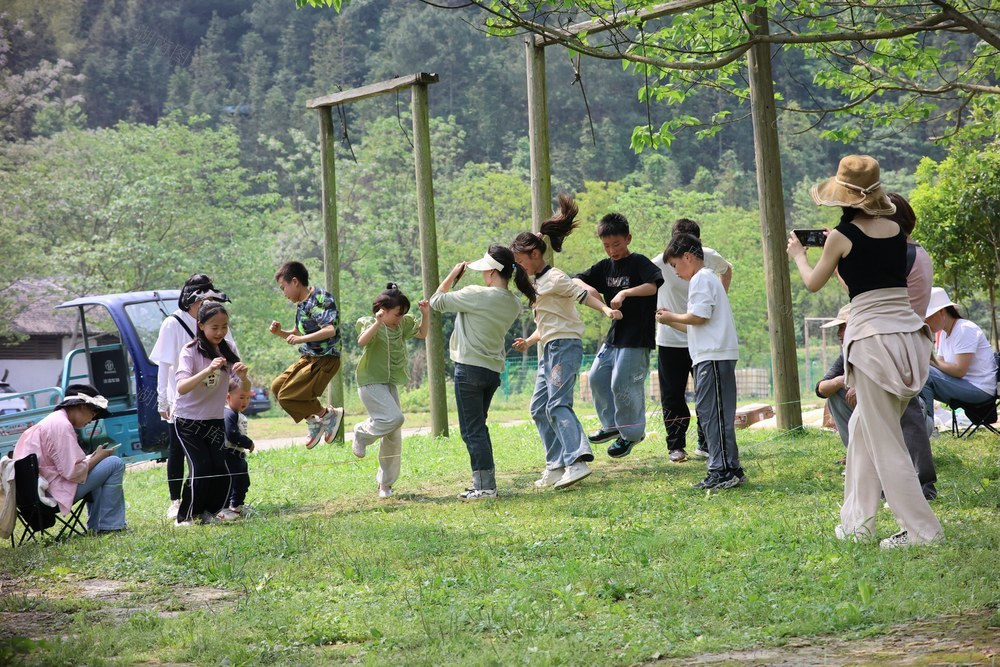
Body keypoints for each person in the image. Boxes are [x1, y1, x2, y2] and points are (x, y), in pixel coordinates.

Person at [787, 154, 942, 548]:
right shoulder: (893, 229)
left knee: (884, 440)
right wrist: (838, 250)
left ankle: (923, 531)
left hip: (873, 343)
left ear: (843, 196)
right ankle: (858, 523)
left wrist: (801, 256)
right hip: (907, 337)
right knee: (861, 431)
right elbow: (867, 287)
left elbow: (812, 284)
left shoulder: (841, 237)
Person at [510, 195, 622, 490]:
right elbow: (548, 322)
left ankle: (577, 461)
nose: (520, 267)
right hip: (548, 347)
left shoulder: (556, 278)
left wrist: (607, 309)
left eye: (521, 261)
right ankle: (556, 464)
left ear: (535, 253)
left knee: (558, 404)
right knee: (538, 407)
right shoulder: (536, 282)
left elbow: (583, 295)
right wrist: (530, 340)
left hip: (564, 347)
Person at [430, 245, 533, 500]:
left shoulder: (476, 294)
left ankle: (485, 487)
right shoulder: (513, 303)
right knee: (479, 427)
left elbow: (436, 301)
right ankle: (485, 483)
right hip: (491, 372)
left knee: (472, 430)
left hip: (468, 370)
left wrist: (453, 276)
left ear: (490, 271)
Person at [816, 304, 938, 500]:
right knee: (835, 394)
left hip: (916, 418)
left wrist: (864, 385)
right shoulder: (848, 353)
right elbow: (820, 389)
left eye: (843, 327)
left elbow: (897, 381)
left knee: (896, 397)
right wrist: (845, 380)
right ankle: (867, 466)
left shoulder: (888, 341)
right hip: (879, 416)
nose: (839, 333)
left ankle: (922, 484)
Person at [657, 233, 744, 489]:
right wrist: (671, 320)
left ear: (687, 257)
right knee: (712, 413)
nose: (676, 272)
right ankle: (731, 468)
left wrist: (672, 315)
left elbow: (699, 317)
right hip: (712, 355)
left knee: (713, 415)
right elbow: (697, 324)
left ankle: (722, 470)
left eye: (675, 265)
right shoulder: (706, 280)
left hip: (714, 357)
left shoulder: (701, 279)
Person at [573, 213, 663, 459]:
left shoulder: (639, 263)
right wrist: (591, 289)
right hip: (615, 336)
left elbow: (653, 285)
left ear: (628, 239)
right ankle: (612, 426)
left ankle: (632, 434)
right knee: (596, 377)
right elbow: (576, 280)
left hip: (637, 337)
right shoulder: (604, 267)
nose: (612, 250)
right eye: (606, 246)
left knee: (622, 384)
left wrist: (624, 293)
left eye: (617, 245)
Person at [149, 274, 235, 520]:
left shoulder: (217, 323)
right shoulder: (173, 323)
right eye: (203, 301)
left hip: (210, 401)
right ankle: (177, 503)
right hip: (183, 398)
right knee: (179, 453)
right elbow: (164, 365)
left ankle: (207, 508)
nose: (207, 304)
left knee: (213, 463)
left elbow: (231, 355)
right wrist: (162, 400)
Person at [12, 384, 127, 533]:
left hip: (32, 495)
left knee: (102, 464)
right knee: (114, 463)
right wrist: (97, 458)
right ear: (81, 406)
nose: (93, 418)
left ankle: (98, 525)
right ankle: (110, 526)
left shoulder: (53, 421)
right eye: (93, 411)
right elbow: (73, 472)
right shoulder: (62, 426)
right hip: (51, 494)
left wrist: (94, 458)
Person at [174, 301, 250, 525]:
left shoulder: (229, 351)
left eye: (224, 327)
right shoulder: (189, 351)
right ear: (201, 326)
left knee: (220, 468)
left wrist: (244, 377)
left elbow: (241, 388)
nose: (220, 332)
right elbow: (181, 387)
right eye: (214, 327)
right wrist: (208, 369)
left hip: (214, 419)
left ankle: (210, 512)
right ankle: (185, 517)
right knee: (201, 467)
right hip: (188, 420)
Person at [353, 283, 430, 499]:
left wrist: (425, 314)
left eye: (403, 314)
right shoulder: (371, 323)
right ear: (383, 311)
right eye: (397, 314)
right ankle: (361, 433)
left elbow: (423, 333)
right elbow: (362, 342)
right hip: (369, 383)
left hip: (388, 383)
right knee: (396, 418)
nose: (400, 318)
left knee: (394, 435)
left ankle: (385, 484)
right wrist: (377, 323)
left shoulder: (401, 325)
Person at [269, 261, 345, 449]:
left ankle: (327, 415)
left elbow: (329, 330)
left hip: (325, 359)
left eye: (283, 287)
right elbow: (298, 333)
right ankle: (315, 420)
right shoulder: (301, 305)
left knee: (287, 396)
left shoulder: (320, 299)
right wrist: (281, 333)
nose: (283, 293)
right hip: (308, 357)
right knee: (277, 387)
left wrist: (300, 340)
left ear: (295, 282)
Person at [920, 287, 998, 421]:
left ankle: (928, 426)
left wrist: (928, 360)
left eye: (927, 318)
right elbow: (940, 365)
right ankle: (922, 422)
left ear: (941, 312)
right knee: (921, 372)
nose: (926, 322)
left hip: (980, 389)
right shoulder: (944, 333)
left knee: (925, 372)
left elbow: (959, 370)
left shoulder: (964, 329)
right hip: (964, 385)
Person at [223, 378, 254, 517]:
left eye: (247, 398)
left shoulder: (237, 414)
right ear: (228, 397)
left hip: (238, 455)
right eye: (241, 397)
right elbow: (231, 434)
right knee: (230, 482)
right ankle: (225, 508)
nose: (245, 401)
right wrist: (248, 442)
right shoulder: (228, 414)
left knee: (243, 481)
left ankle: (237, 506)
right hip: (229, 454)